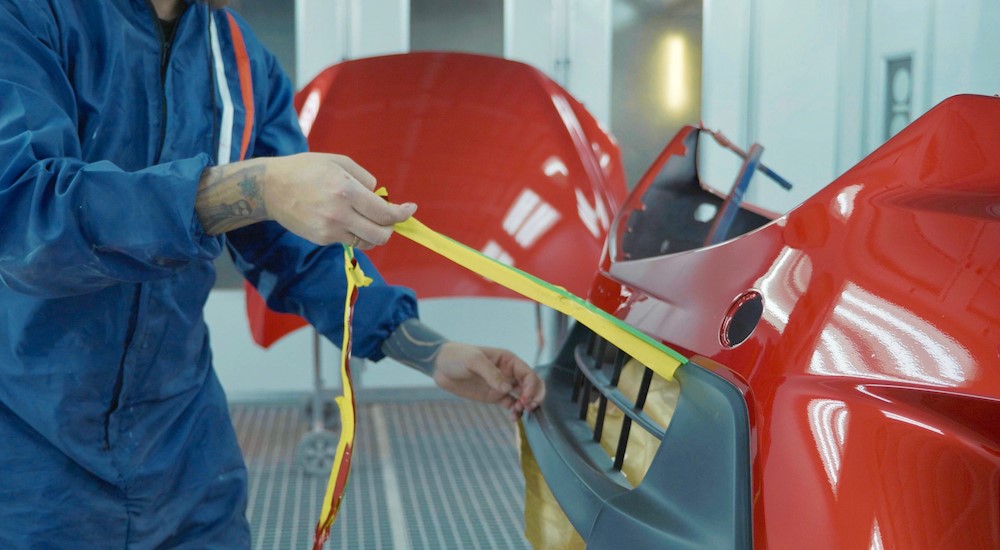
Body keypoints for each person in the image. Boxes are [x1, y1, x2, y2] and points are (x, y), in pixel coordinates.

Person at [0, 0, 545, 546]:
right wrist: (253, 188)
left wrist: (427, 349)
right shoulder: (29, 16)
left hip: (185, 454)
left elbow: (295, 251)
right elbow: (27, 218)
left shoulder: (237, 58)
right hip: (33, 459)